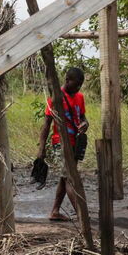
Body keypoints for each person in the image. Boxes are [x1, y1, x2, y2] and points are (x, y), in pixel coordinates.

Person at [37, 67, 89, 221]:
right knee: (70, 179)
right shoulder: (56, 98)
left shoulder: (80, 97)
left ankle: (55, 211)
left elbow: (83, 118)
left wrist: (85, 124)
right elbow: (46, 124)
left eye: (80, 84)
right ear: (67, 80)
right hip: (59, 143)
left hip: (75, 144)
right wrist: (41, 149)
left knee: (64, 177)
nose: (78, 87)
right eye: (76, 83)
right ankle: (81, 215)